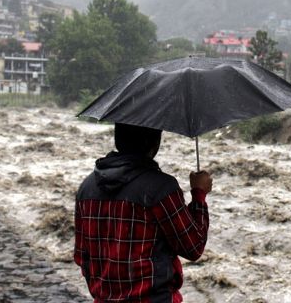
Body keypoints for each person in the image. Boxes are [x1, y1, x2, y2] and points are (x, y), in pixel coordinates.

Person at [74, 123, 212, 303]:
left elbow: (81, 256)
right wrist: (199, 194)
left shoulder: (87, 187)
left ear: (118, 139)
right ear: (154, 143)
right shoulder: (161, 188)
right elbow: (193, 247)